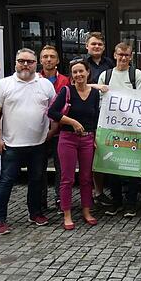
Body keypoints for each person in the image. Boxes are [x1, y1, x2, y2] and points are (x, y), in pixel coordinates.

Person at [0, 48, 56, 235]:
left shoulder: (46, 85)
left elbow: (56, 110)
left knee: (36, 180)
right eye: (21, 61)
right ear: (16, 62)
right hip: (12, 144)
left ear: (36, 63)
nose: (25, 65)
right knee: (6, 181)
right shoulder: (3, 84)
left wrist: (51, 132)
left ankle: (35, 213)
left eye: (30, 61)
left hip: (38, 143)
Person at [47, 59, 100, 230]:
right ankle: (67, 214)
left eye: (81, 71)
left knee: (86, 178)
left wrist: (96, 137)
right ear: (72, 75)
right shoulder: (67, 91)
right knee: (67, 178)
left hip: (87, 139)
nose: (78, 75)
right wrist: (73, 122)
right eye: (75, 72)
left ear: (87, 73)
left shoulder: (93, 93)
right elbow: (52, 112)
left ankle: (86, 211)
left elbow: (96, 117)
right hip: (67, 138)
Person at [97, 42, 141, 218]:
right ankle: (116, 201)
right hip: (111, 128)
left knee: (131, 167)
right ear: (115, 55)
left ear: (131, 57)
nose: (123, 58)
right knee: (112, 167)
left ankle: (131, 204)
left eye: (126, 55)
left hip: (131, 129)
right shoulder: (106, 75)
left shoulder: (136, 74)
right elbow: (100, 101)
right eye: (120, 54)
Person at [82, 32, 116, 208]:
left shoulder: (110, 63)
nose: (96, 47)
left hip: (107, 114)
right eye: (93, 44)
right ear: (87, 46)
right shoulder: (81, 64)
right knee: (90, 156)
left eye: (99, 45)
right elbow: (74, 84)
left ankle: (103, 192)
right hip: (88, 113)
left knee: (104, 153)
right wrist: (96, 86)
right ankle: (93, 194)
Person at [39, 45, 69, 213]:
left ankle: (60, 199)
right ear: (40, 60)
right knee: (39, 168)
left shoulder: (65, 80)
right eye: (45, 56)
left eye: (52, 56)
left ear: (57, 60)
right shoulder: (33, 79)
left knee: (61, 168)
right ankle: (41, 201)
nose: (48, 59)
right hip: (39, 131)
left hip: (60, 132)